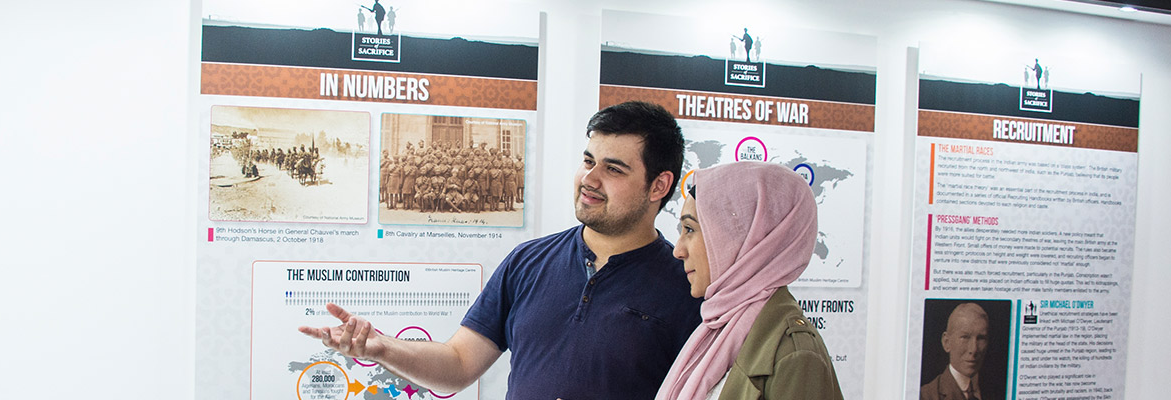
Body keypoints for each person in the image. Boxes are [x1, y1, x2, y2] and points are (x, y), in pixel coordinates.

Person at [300, 101, 701, 400]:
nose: (589, 179)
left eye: (613, 169)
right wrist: (382, 347)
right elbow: (458, 364)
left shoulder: (688, 286)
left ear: (659, 186)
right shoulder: (528, 262)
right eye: (587, 161)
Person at [657, 161, 842, 400]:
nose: (678, 250)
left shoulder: (795, 354)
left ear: (742, 238)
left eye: (690, 229)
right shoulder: (718, 325)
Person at [920, 303, 991, 400]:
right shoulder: (925, 395)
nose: (973, 349)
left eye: (981, 338)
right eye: (965, 337)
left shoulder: (997, 390)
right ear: (946, 342)